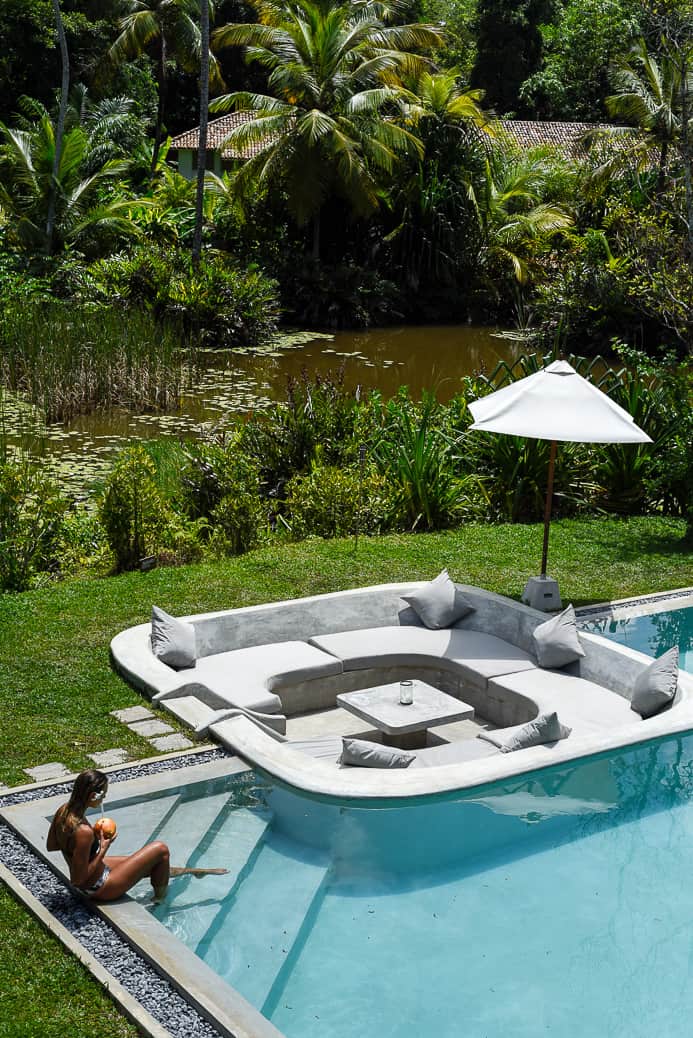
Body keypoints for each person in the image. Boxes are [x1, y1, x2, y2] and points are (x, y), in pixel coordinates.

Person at [47, 770, 225, 902]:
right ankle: (160, 900)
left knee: (150, 862)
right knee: (160, 850)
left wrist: (82, 849)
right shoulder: (83, 832)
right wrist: (102, 848)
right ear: (93, 795)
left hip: (96, 871)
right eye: (103, 796)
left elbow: (52, 845)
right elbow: (78, 880)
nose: (103, 800)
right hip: (98, 888)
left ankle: (192, 872)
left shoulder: (63, 812)